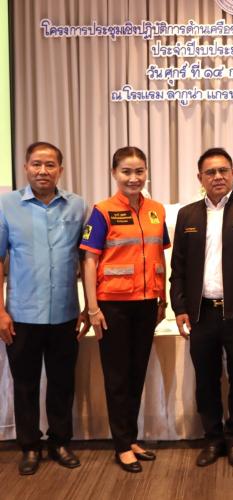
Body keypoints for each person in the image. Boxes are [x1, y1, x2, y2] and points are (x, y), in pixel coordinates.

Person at [170, 147, 233, 468]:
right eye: (210, 172)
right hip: (201, 314)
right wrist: (180, 308)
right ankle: (213, 438)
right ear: (200, 177)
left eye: (223, 171)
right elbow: (178, 268)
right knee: (206, 380)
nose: (217, 176)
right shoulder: (187, 215)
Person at [0, 142, 89, 475]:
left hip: (65, 312)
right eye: (36, 164)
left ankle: (60, 442)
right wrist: (0, 312)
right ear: (25, 167)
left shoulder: (77, 205)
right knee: (25, 385)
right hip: (21, 314)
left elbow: (87, 259)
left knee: (62, 383)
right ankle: (29, 446)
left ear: (60, 170)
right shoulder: (7, 205)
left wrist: (88, 306)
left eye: (50, 165)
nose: (42, 171)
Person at [80, 146, 170, 473]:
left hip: (146, 305)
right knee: (117, 377)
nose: (134, 178)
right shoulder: (102, 211)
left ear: (146, 172)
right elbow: (89, 261)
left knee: (136, 374)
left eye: (139, 171)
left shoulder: (156, 210)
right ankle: (121, 445)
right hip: (112, 306)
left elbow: (159, 256)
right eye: (126, 172)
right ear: (114, 173)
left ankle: (130, 438)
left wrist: (163, 299)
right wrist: (92, 308)